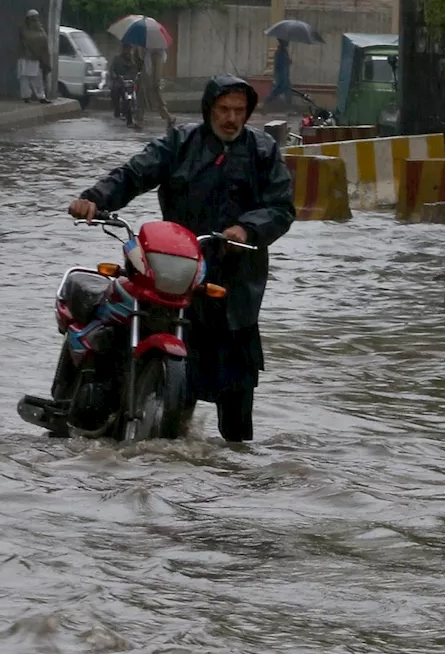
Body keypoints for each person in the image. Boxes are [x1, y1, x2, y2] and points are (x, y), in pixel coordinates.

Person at [67, 76, 295, 442]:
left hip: (235, 283)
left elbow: (281, 207)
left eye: (239, 111)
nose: (231, 118)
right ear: (209, 110)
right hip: (173, 269)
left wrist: (248, 230)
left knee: (237, 393)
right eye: (224, 109)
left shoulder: (263, 151)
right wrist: (95, 198)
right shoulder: (181, 141)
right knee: (133, 331)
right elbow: (135, 173)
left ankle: (235, 469)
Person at [137, 47, 176, 133]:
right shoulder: (149, 54)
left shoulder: (157, 54)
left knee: (157, 103)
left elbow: (158, 71)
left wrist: (156, 84)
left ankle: (170, 118)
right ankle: (139, 120)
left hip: (152, 83)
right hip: (146, 81)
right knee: (142, 100)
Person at [18, 9, 51, 104]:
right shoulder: (24, 29)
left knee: (37, 78)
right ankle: (26, 96)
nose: (35, 20)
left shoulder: (40, 29)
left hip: (35, 58)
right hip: (25, 57)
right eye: (32, 18)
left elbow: (43, 42)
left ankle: (41, 97)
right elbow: (26, 41)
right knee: (24, 78)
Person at [261, 39, 293, 112]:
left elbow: (285, 63)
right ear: (282, 42)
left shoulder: (284, 52)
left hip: (285, 76)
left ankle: (288, 108)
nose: (287, 43)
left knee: (288, 91)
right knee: (276, 91)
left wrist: (288, 62)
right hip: (281, 76)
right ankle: (265, 103)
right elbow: (277, 65)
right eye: (286, 41)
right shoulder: (279, 52)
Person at [109, 44, 139, 120]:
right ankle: (117, 111)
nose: (127, 51)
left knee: (128, 95)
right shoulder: (117, 59)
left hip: (128, 83)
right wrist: (115, 75)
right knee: (114, 91)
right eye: (125, 49)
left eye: (128, 49)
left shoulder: (132, 61)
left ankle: (126, 111)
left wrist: (126, 77)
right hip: (117, 81)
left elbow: (134, 72)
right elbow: (111, 69)